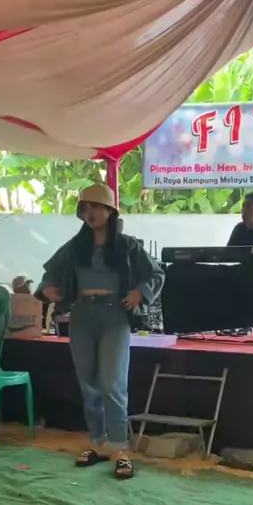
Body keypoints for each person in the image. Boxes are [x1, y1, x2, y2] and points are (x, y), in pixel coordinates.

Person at [35, 183, 164, 480]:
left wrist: (140, 293)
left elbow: (156, 273)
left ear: (110, 210)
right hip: (81, 315)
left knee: (112, 383)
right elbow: (49, 276)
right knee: (88, 383)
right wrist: (45, 290)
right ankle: (97, 443)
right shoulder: (75, 246)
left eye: (95, 207)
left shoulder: (127, 246)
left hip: (114, 315)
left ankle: (120, 449)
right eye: (84, 208)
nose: (89, 213)